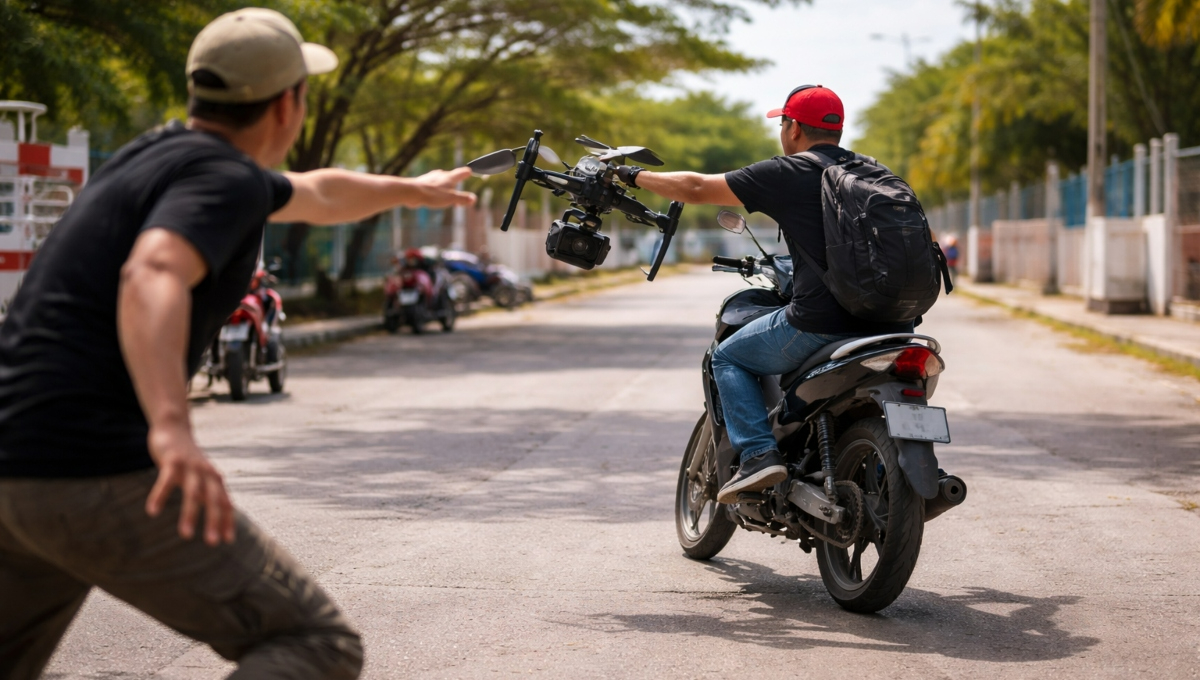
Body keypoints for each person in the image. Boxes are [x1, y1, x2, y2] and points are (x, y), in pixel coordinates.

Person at [0, 8, 474, 679]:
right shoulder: (221, 178)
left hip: (15, 467)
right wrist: (170, 428)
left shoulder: (158, 155)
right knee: (315, 642)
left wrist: (414, 189)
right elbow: (154, 271)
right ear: (289, 105)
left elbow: (318, 192)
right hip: (88, 468)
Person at [615, 85, 913, 503]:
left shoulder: (791, 172)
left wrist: (628, 174)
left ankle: (757, 455)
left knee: (728, 356)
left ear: (792, 128)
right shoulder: (878, 173)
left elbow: (697, 188)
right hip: (897, 325)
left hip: (821, 325)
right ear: (838, 129)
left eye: (782, 123)